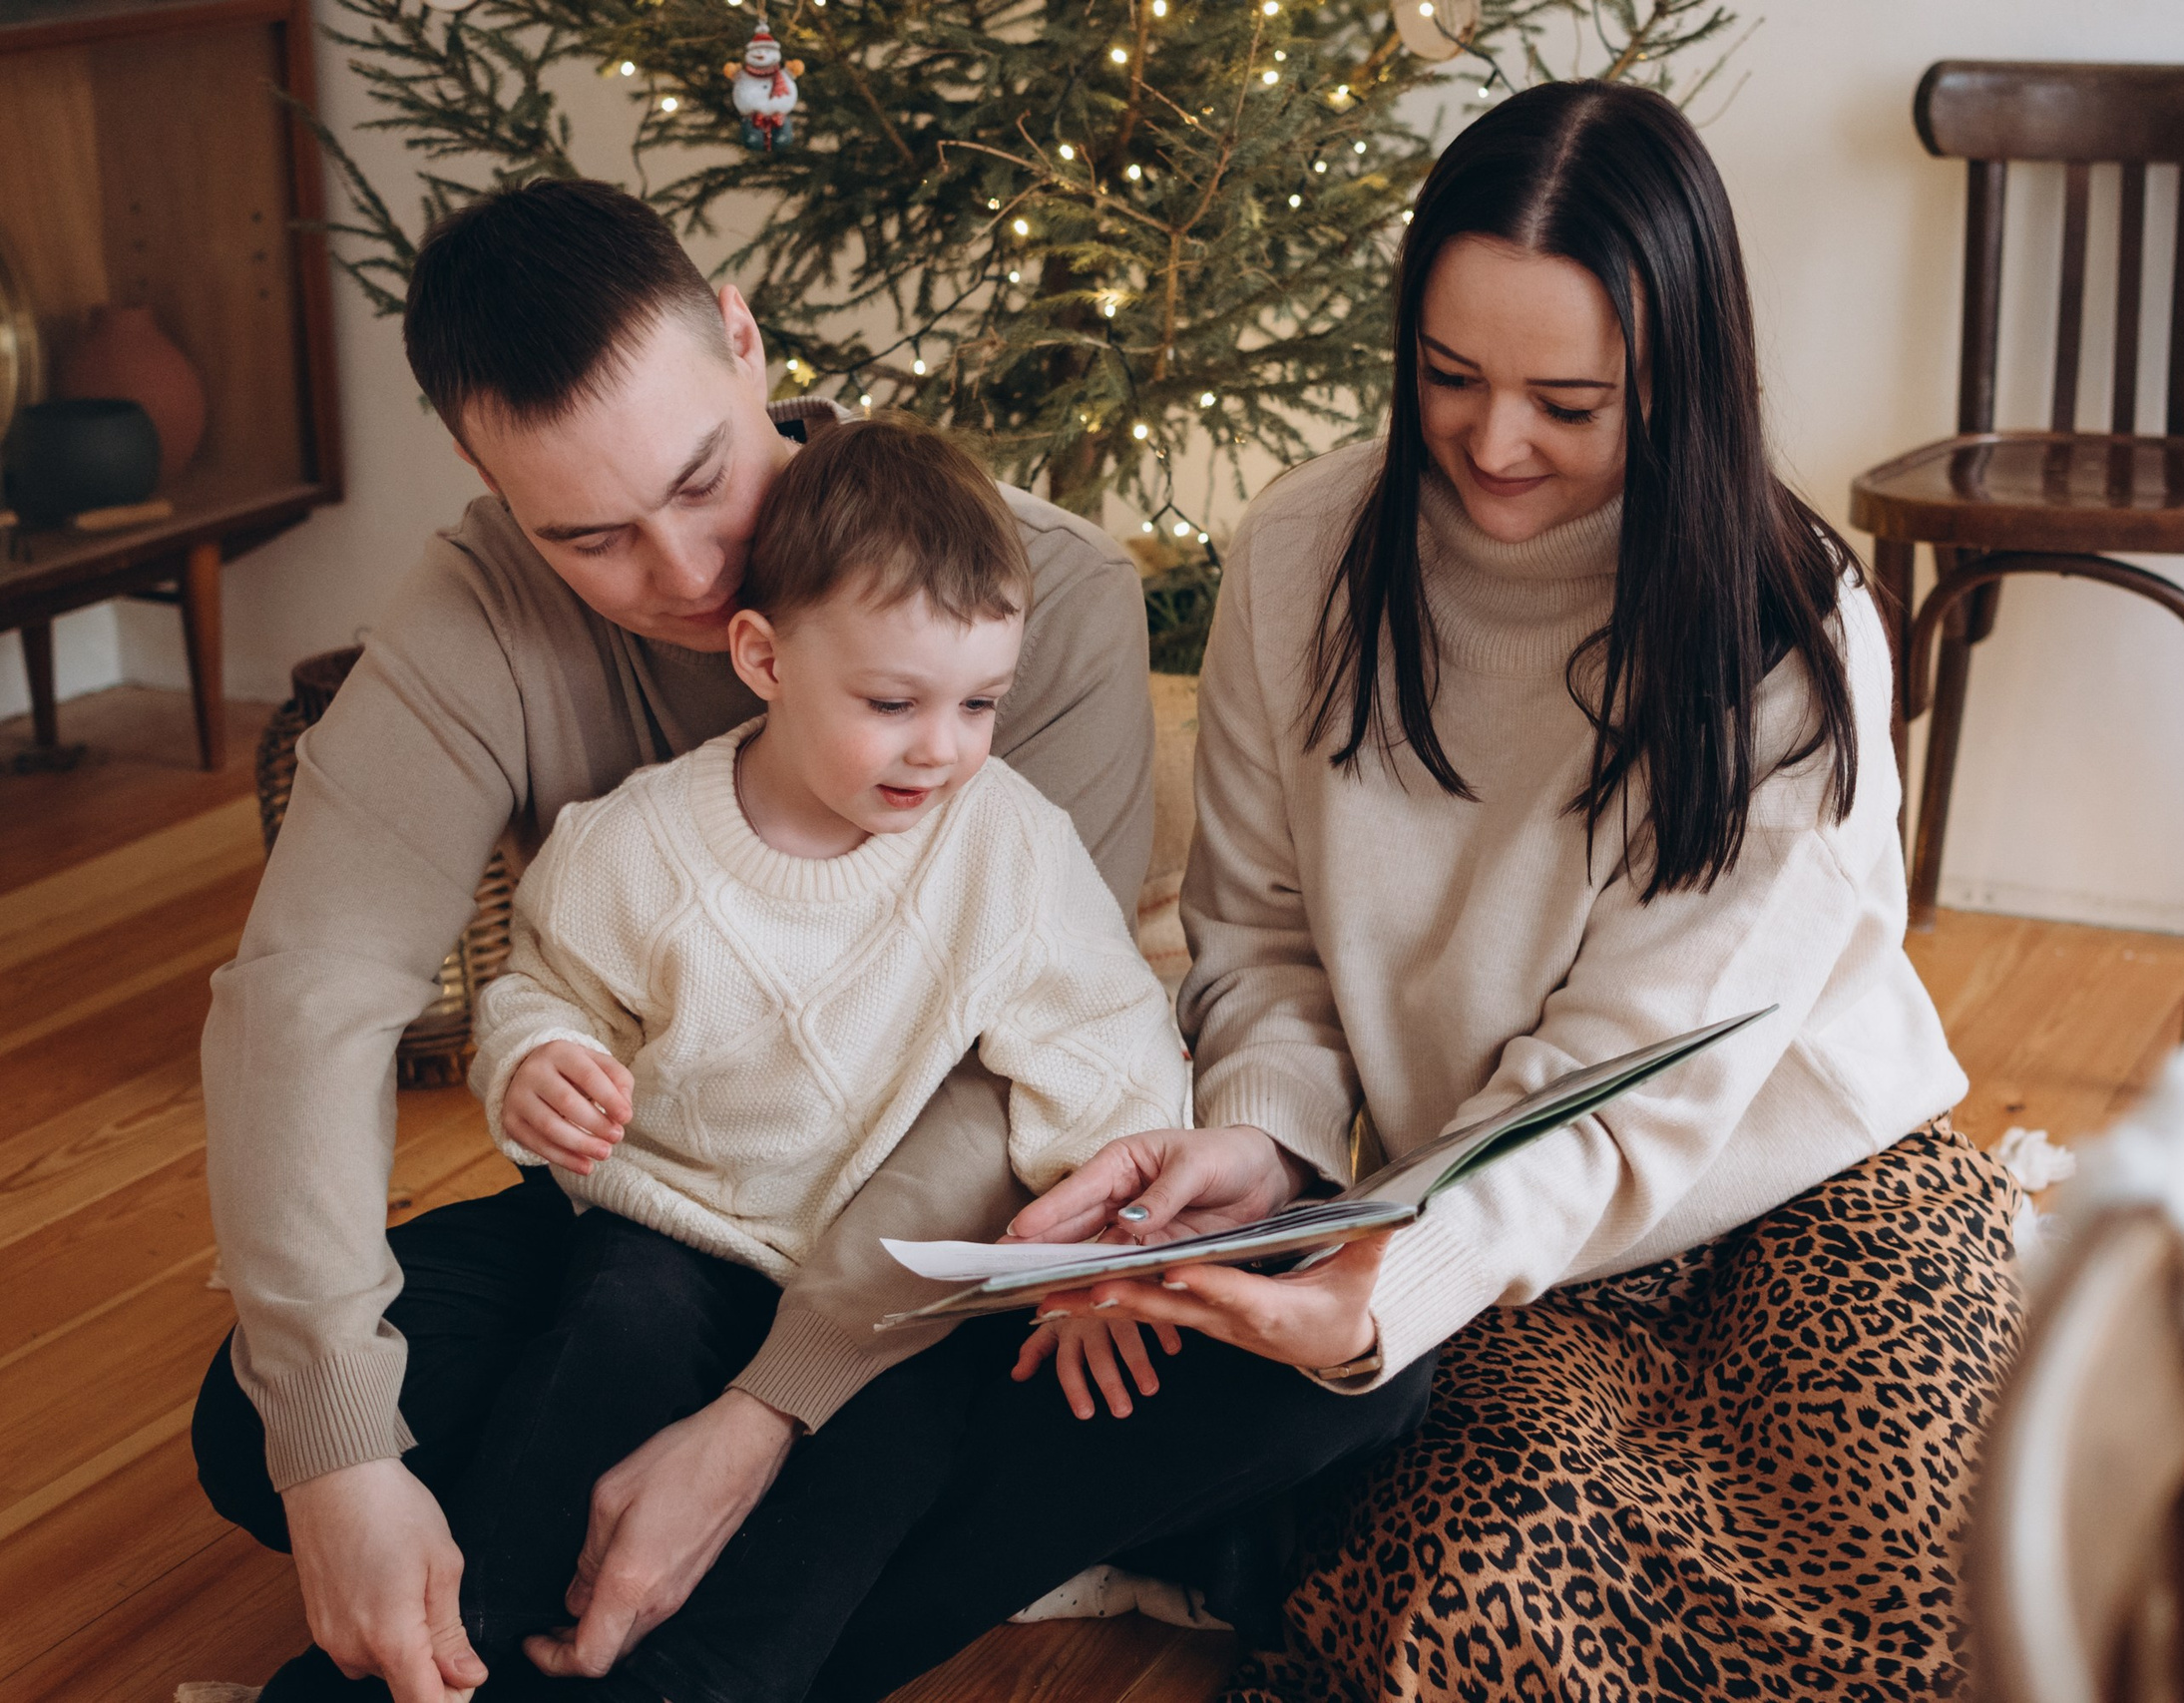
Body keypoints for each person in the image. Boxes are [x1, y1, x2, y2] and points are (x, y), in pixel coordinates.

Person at [1013, 80, 2026, 1701]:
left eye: (1569, 400)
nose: (1493, 445)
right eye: (1448, 378)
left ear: (1679, 379)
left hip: (1800, 1173)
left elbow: (1648, 1087)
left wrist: (1408, 1266)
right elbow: (1262, 941)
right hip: (1480, 1202)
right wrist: (1267, 1141)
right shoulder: (1304, 557)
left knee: (1953, 1581)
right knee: (1463, 1602)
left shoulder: (1790, 629)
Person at [189, 179, 1160, 1702]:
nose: (693, 572)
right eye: (595, 537)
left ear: (742, 336)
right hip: (664, 1211)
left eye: (706, 479)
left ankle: (644, 1617)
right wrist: (341, 1456)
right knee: (268, 1420)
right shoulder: (475, 615)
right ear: (482, 469)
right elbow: (305, 995)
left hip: (927, 1268)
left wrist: (771, 1404)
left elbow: (1018, 1067)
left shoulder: (1035, 602)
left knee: (1269, 1395)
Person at [447, 413, 1190, 1668]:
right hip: (674, 1231)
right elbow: (539, 988)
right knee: (592, 1374)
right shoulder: (634, 847)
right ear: (764, 656)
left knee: (856, 1502)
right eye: (893, 702)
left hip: (891, 1287)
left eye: (979, 704)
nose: (942, 749)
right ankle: (460, 1649)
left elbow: (1108, 1046)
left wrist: (1105, 1253)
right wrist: (533, 1059)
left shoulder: (1004, 843)